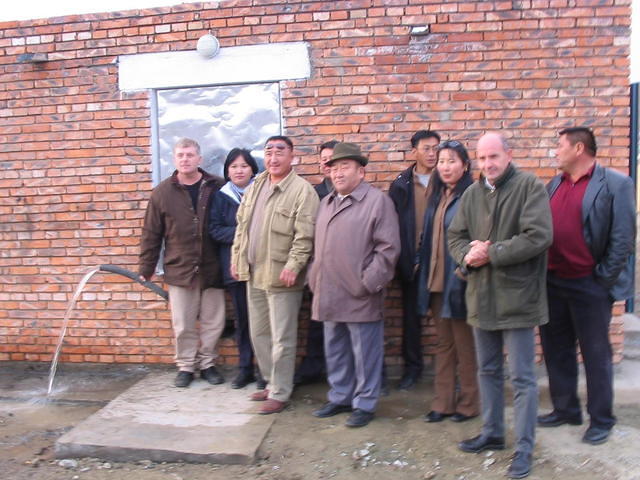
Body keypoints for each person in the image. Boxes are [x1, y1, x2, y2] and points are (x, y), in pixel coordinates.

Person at [448, 132, 553, 479]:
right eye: (482, 158)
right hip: (481, 297)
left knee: (522, 378)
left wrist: (489, 253)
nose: (488, 164)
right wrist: (468, 256)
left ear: (509, 154)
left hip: (518, 298)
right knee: (487, 370)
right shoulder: (473, 194)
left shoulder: (529, 186)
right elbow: (455, 237)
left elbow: (538, 236)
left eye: (494, 156)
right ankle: (493, 433)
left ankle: (524, 448)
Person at [538, 127, 635, 445]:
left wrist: (602, 279)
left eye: (560, 146)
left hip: (589, 284)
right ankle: (565, 410)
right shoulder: (555, 183)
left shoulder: (616, 183)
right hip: (554, 281)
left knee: (596, 355)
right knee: (557, 350)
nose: (556, 151)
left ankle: (601, 420)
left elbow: (623, 238)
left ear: (579, 148)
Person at [309, 142, 400, 428]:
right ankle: (340, 397)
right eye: (334, 168)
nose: (338, 173)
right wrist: (315, 276)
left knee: (365, 354)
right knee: (335, 349)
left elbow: (388, 250)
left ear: (361, 171)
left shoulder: (377, 202)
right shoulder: (326, 203)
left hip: (360, 294)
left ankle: (365, 403)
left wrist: (368, 283)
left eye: (344, 167)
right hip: (328, 291)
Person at [231, 135, 319, 414]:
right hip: (254, 272)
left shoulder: (302, 191)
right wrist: (237, 259)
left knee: (283, 336)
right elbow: (241, 227)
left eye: (279, 151)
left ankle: (281, 392)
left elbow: (305, 236)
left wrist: (294, 265)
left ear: (292, 156)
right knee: (260, 333)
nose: (273, 157)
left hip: (282, 275)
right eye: (268, 151)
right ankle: (270, 382)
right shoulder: (257, 185)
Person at [139, 137, 226, 388]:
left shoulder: (217, 186)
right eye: (181, 155)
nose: (185, 159)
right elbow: (151, 233)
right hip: (180, 268)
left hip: (213, 267)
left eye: (190, 155)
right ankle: (186, 366)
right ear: (174, 159)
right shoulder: (163, 192)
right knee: (183, 324)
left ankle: (208, 363)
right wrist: (146, 267)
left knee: (213, 321)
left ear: (199, 158)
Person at [415, 140, 479, 424]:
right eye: (441, 161)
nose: (445, 166)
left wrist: (464, 273)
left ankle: (468, 405)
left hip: (461, 283)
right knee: (443, 345)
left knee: (465, 346)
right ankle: (443, 403)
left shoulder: (473, 196)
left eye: (452, 160)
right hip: (437, 282)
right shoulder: (438, 196)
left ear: (464, 165)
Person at [209, 148, 266, 390]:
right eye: (234, 166)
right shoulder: (221, 196)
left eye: (244, 166)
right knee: (243, 321)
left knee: (263, 322)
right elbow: (214, 229)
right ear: (227, 171)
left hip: (262, 266)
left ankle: (265, 370)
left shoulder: (263, 191)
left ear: (253, 168)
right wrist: (243, 234)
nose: (239, 170)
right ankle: (245, 369)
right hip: (235, 268)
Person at [389, 130, 441, 390]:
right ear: (414, 152)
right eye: (427, 148)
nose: (432, 154)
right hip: (412, 260)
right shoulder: (401, 184)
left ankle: (448, 371)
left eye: (435, 148)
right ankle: (412, 369)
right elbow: (392, 224)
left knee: (447, 320)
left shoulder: (447, 179)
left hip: (442, 261)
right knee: (411, 320)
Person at [294, 139, 338, 386]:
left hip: (346, 269)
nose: (327, 163)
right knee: (316, 323)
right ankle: (313, 369)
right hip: (318, 268)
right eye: (323, 159)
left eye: (332, 158)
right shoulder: (313, 193)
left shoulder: (360, 194)